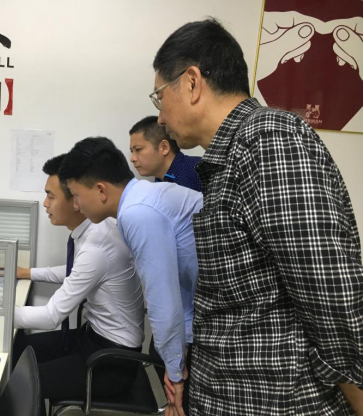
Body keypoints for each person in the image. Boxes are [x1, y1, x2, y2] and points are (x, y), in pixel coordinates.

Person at [152, 17, 363, 416]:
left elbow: (327, 290)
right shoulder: (230, 156)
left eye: (159, 96)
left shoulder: (268, 139)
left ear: (192, 83)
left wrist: (357, 397)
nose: (160, 117)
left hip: (279, 402)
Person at [59, 137, 203, 416]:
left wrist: (176, 373)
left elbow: (163, 299)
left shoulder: (137, 213)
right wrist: (179, 357)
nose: (76, 205)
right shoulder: (141, 198)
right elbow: (182, 280)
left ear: (101, 190)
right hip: (201, 313)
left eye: (76, 195)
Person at [12, 153, 145, 416]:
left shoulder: (97, 246)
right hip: (91, 340)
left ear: (75, 199)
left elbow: (51, 316)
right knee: (19, 349)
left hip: (111, 362)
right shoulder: (95, 230)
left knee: (21, 381)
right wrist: (27, 272)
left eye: (51, 196)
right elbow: (76, 271)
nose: (45, 203)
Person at [129, 115, 202, 192]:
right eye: (132, 151)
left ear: (164, 147)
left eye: (138, 149)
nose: (132, 158)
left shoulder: (199, 170)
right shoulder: (158, 185)